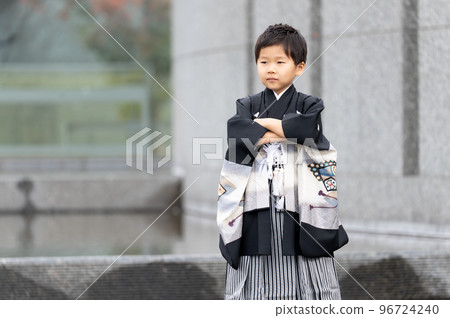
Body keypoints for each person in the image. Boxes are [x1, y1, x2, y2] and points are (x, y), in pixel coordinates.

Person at [217, 23, 346, 300]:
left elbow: (307, 130)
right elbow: (238, 133)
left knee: (305, 256)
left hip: (300, 201)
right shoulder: (247, 104)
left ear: (299, 67)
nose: (270, 69)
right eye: (264, 62)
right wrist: (287, 130)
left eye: (279, 62)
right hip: (257, 202)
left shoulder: (310, 104)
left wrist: (261, 128)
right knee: (256, 253)